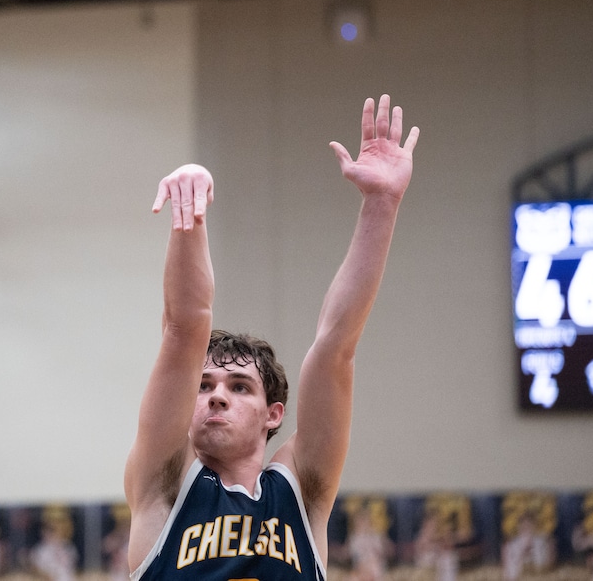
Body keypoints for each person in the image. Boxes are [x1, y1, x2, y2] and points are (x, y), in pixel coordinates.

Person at [126, 95, 420, 581]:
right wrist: (190, 219)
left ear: (274, 415)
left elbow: (336, 348)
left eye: (239, 386)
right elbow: (183, 330)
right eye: (203, 386)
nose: (216, 396)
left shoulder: (299, 494)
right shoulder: (165, 484)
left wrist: (382, 205)